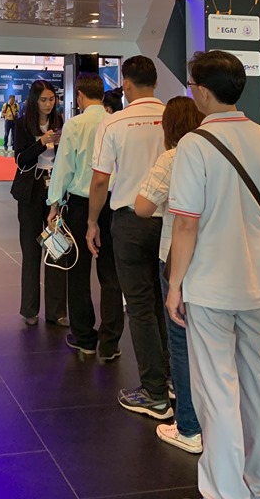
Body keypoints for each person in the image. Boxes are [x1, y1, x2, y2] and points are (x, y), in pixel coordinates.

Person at [166, 50, 260, 499]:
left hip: (210, 284)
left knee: (217, 389)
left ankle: (226, 490)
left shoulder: (194, 144)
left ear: (202, 91)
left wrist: (174, 285)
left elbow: (186, 223)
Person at [87, 56, 171, 419]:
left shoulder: (114, 122)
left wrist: (92, 222)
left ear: (127, 84)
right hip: (171, 220)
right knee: (167, 301)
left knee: (139, 305)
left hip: (130, 220)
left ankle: (154, 392)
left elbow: (100, 179)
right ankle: (172, 379)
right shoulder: (174, 116)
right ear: (155, 82)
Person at [133, 96, 204, 454]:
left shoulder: (172, 157)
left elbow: (143, 206)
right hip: (216, 258)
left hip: (178, 255)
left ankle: (188, 427)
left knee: (180, 340)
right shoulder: (214, 153)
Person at [46, 73, 123, 359]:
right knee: (110, 273)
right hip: (112, 203)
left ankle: (84, 337)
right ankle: (111, 341)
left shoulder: (75, 124)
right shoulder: (114, 121)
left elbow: (63, 166)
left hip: (80, 204)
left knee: (77, 271)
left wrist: (53, 204)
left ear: (79, 95)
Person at [11, 79, 67, 327]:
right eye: (43, 100)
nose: (48, 104)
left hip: (55, 191)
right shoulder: (23, 124)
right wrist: (41, 142)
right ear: (34, 100)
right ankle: (30, 309)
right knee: (31, 251)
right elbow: (20, 159)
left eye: (51, 99)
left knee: (56, 249)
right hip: (31, 191)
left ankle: (56, 311)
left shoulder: (60, 121)